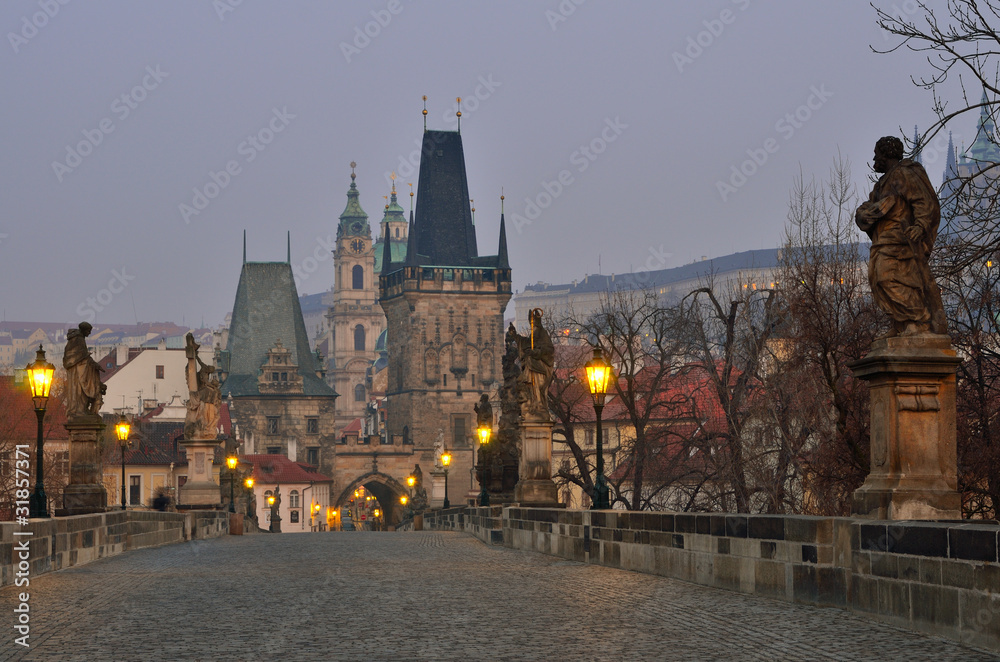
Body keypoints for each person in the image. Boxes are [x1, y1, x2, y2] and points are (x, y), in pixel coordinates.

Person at [856, 136, 947, 337]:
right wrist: (863, 213)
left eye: (876, 154)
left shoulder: (904, 174)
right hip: (883, 239)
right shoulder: (882, 183)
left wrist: (920, 226)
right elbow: (869, 206)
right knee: (878, 280)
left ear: (887, 154)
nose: (874, 159)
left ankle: (919, 319)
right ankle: (901, 322)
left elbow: (924, 202)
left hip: (901, 238)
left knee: (888, 276)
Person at [63, 322, 105, 417]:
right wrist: (92, 363)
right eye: (88, 331)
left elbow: (83, 355)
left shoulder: (78, 339)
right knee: (78, 391)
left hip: (79, 369)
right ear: (83, 330)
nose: (89, 333)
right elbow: (78, 356)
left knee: (80, 392)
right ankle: (78, 410)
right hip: (76, 371)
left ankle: (81, 409)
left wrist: (94, 364)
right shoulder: (78, 339)